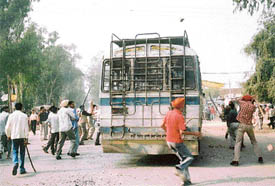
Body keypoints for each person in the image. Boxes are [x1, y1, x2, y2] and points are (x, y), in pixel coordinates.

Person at [161, 98, 201, 186]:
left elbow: (162, 125)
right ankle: (178, 168)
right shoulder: (179, 116)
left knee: (184, 159)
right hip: (176, 141)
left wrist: (168, 132)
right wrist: (196, 133)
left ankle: (185, 181)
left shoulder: (169, 113)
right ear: (182, 107)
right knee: (190, 158)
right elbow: (182, 131)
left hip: (169, 141)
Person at [230, 95, 263, 166]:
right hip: (250, 125)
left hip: (242, 125)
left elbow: (237, 100)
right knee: (254, 142)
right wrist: (252, 99)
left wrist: (243, 98)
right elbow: (253, 105)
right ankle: (259, 156)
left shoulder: (242, 103)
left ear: (244, 99)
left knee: (238, 142)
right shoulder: (253, 107)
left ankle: (236, 160)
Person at [5, 103, 29, 175]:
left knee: (15, 151)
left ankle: (15, 162)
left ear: (15, 108)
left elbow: (7, 127)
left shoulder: (11, 116)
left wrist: (8, 135)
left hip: (14, 136)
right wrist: (26, 137)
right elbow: (26, 128)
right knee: (22, 152)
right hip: (22, 136)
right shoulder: (24, 116)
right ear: (21, 108)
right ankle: (22, 168)